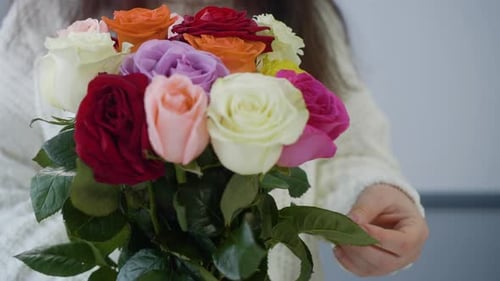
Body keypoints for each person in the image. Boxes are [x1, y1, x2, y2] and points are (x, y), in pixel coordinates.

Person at [0, 0, 428, 280]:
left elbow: (350, 148)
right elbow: (7, 182)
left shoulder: (306, 14)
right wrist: (119, 260)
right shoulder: (45, 14)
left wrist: (371, 196)